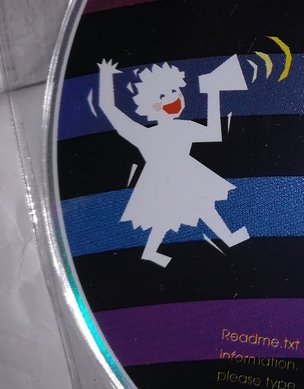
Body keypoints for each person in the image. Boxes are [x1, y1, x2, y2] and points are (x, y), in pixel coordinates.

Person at [97, 57, 249, 266]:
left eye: (174, 91)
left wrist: (213, 94)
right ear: (149, 104)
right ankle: (151, 251)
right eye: (162, 95)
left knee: (203, 206)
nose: (172, 97)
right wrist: (106, 77)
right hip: (160, 180)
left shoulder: (184, 126)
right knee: (163, 217)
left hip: (186, 174)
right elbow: (109, 109)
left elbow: (214, 134)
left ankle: (227, 237)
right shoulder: (144, 135)